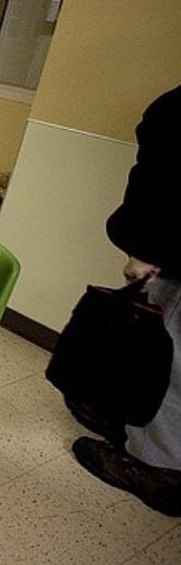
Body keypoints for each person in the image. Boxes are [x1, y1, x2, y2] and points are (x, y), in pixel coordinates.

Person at [72, 83, 181, 516]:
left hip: (170, 247)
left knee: (169, 355)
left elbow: (166, 184)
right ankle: (135, 422)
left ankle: (153, 465)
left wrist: (146, 250)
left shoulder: (176, 113)